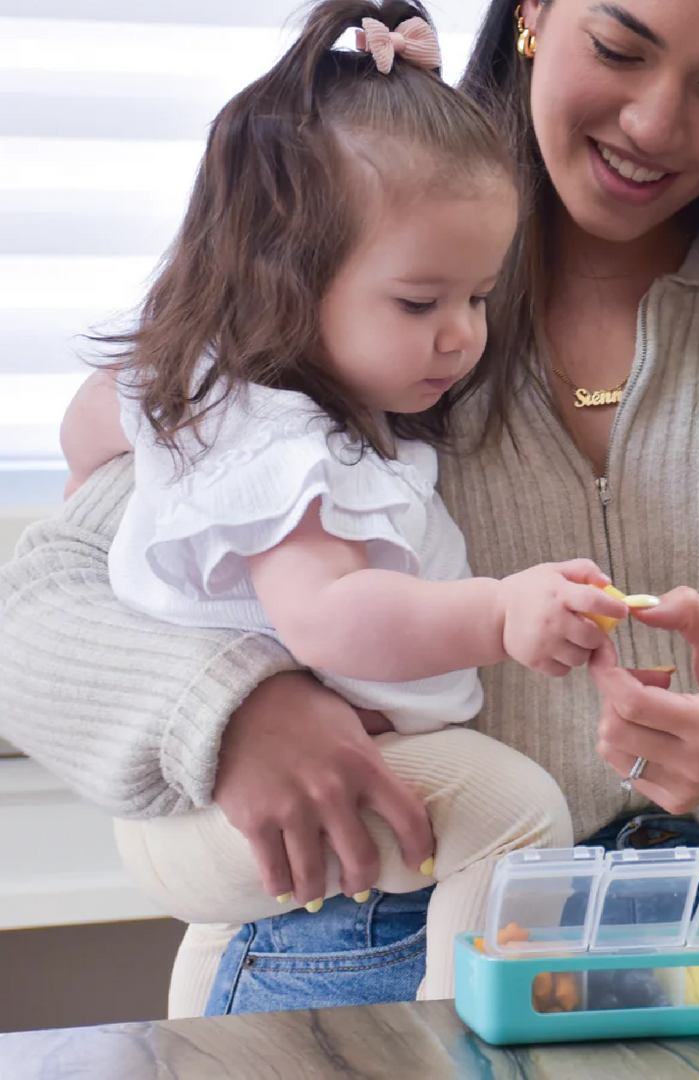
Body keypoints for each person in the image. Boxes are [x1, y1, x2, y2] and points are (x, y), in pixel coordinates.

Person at [0, 0, 699, 1019]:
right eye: (619, 49)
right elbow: (39, 606)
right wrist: (230, 704)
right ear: (531, 12)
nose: (656, 125)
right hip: (354, 946)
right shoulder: (352, 259)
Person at [57, 0, 635, 1004]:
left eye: (479, 298)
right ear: (284, 279)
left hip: (210, 827)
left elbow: (93, 411)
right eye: (421, 302)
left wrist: (127, 453)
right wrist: (501, 613)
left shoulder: (236, 406)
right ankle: (460, 1029)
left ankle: (206, 1023)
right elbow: (332, 618)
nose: (461, 336)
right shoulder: (285, 448)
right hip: (231, 807)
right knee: (517, 809)